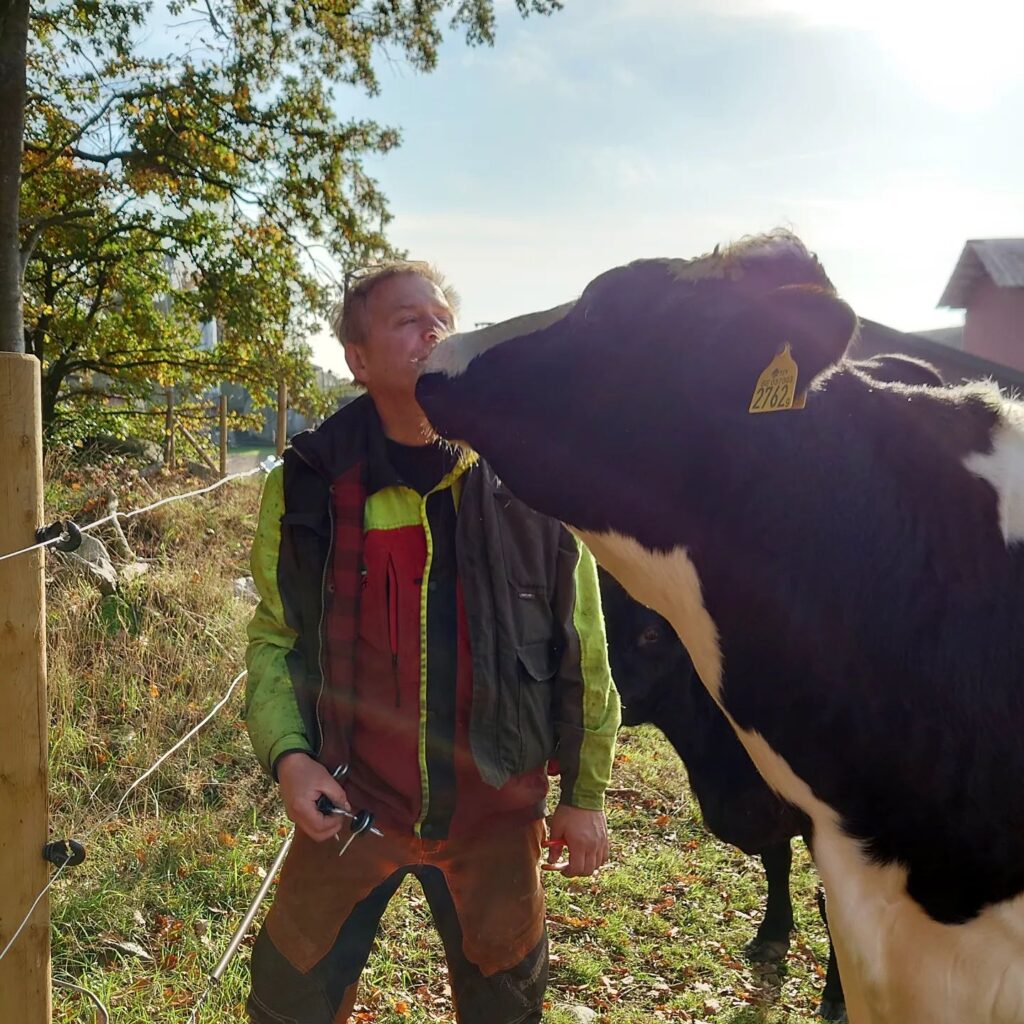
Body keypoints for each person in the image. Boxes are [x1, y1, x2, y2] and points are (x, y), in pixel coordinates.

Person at [244, 260, 621, 1024]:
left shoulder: (529, 480)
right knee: (288, 1001)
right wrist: (290, 756)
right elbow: (276, 637)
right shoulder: (309, 482)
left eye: (442, 318)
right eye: (407, 320)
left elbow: (583, 643)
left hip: (497, 814)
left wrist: (583, 797)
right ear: (358, 359)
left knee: (506, 1006)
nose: (434, 331)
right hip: (351, 808)